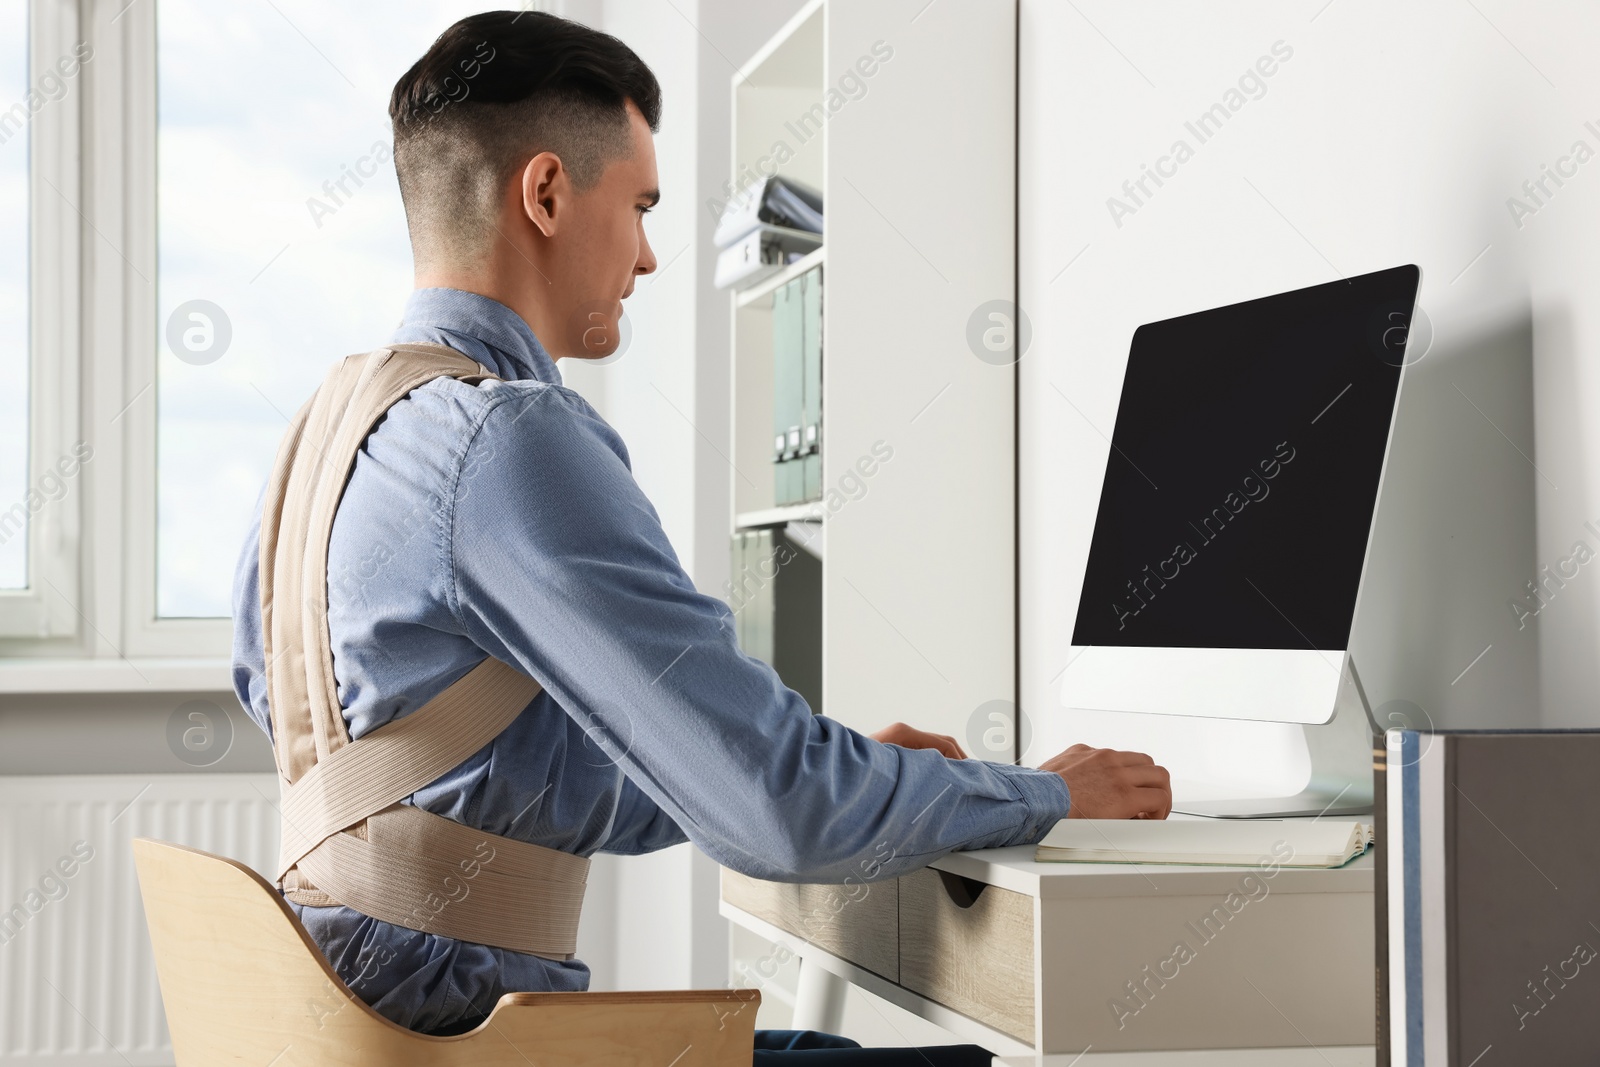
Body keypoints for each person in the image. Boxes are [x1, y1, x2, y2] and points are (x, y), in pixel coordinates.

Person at [230, 10, 1172, 1062]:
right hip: (463, 1039)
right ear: (544, 193)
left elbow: (374, 747)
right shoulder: (510, 438)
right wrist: (1044, 794)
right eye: (637, 207)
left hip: (336, 1015)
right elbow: (777, 818)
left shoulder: (328, 428)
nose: (645, 256)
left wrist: (824, 768)